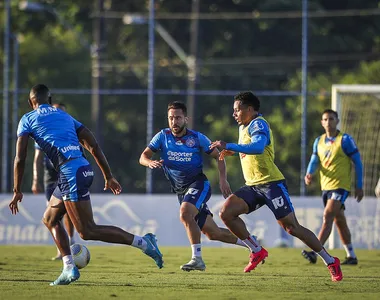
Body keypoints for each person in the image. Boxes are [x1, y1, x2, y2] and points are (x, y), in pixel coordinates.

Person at [9, 84, 163, 286]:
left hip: (70, 173)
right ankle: (68, 267)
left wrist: (17, 189)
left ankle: (144, 243)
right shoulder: (65, 116)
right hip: (81, 168)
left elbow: (20, 158)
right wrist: (108, 175)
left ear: (31, 102)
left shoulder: (27, 118)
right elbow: (93, 145)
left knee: (87, 231)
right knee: (50, 219)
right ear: (49, 99)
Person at [209, 91, 343, 282]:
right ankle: (256, 250)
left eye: (237, 110)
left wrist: (228, 144)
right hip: (253, 186)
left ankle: (330, 261)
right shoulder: (244, 126)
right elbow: (246, 148)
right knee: (226, 213)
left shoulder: (259, 124)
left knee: (292, 228)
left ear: (249, 109)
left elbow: (257, 147)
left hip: (272, 184)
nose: (234, 114)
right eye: (234, 111)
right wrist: (232, 151)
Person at [139, 101, 256, 272]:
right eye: (171, 118)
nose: (174, 122)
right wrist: (149, 162)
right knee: (213, 233)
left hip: (199, 184)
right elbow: (143, 156)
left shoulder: (197, 138)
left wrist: (223, 180)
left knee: (186, 213)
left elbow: (220, 156)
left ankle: (197, 259)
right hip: (181, 191)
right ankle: (251, 242)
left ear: (186, 118)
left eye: (178, 118)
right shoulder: (162, 136)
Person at [302, 109, 364, 265]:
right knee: (339, 221)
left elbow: (358, 162)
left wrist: (359, 185)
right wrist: (309, 173)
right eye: (325, 119)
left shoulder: (345, 140)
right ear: (322, 123)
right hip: (326, 187)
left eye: (331, 119)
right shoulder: (319, 141)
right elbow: (314, 160)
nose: (328, 122)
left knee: (327, 215)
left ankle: (315, 251)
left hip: (340, 187)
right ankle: (351, 256)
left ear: (337, 121)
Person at [32, 102, 76, 260]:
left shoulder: (69, 130)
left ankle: (71, 242)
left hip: (66, 174)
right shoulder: (42, 131)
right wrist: (35, 179)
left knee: (68, 210)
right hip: (50, 178)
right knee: (52, 215)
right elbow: (37, 158)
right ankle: (61, 249)